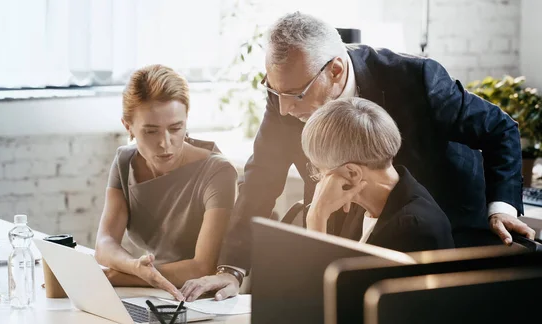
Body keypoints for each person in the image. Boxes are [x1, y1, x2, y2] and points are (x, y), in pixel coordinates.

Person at [180, 12, 535, 302]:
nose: (286, 109)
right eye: (275, 92)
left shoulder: (414, 78)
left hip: (441, 231)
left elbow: (499, 129)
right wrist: (231, 270)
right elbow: (260, 180)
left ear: (335, 70)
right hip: (351, 229)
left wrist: (501, 208)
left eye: (295, 95)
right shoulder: (285, 94)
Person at [94, 64, 238, 301]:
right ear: (128, 126)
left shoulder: (218, 171)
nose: (165, 143)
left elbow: (202, 266)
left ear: (186, 121)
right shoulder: (124, 161)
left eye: (175, 128)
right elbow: (105, 243)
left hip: (204, 298)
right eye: (151, 131)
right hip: (152, 292)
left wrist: (114, 276)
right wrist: (134, 267)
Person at [303, 96, 454, 251]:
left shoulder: (414, 230)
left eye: (318, 168)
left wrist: (316, 218)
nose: (319, 179)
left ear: (353, 173)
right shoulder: (361, 202)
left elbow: (320, 275)